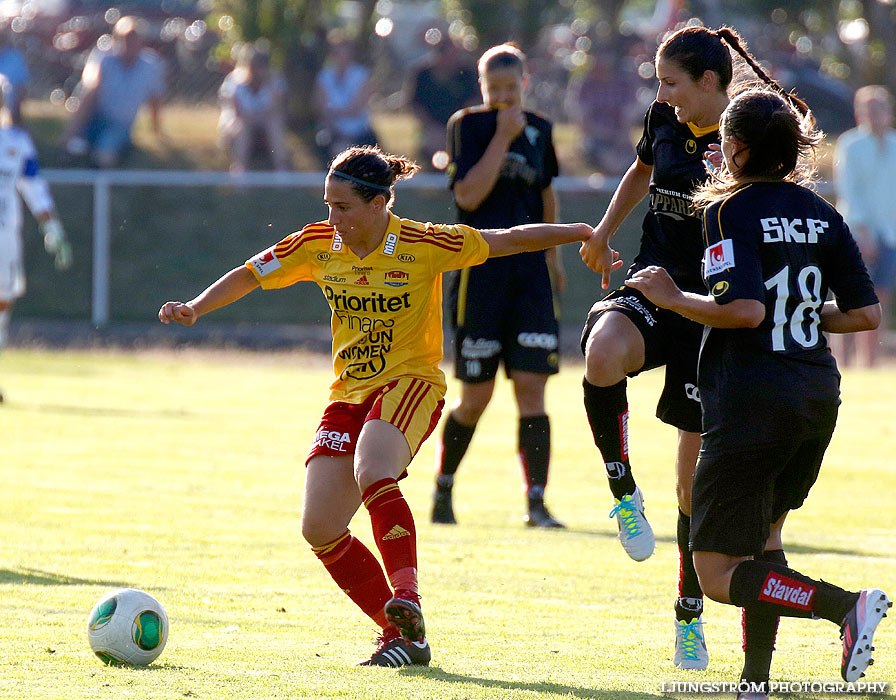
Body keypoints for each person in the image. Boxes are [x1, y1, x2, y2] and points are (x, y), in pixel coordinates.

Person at [158, 145, 592, 667]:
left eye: (342, 207)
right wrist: (196, 308)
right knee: (319, 527)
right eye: (327, 205)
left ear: (380, 203)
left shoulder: (421, 243)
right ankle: (403, 636)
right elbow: (251, 273)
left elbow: (506, 240)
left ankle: (406, 596)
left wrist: (583, 232)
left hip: (412, 384)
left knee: (373, 466)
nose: (331, 218)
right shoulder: (318, 243)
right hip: (348, 394)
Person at [623, 87, 888, 698]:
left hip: (751, 399)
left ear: (737, 148)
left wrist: (670, 297)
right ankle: (755, 682)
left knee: (715, 572)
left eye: (721, 142)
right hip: (816, 394)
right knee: (766, 541)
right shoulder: (822, 212)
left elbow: (741, 311)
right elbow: (865, 315)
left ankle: (844, 607)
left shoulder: (730, 210)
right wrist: (794, 309)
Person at [578, 25, 798, 671]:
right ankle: (621, 490)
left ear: (709, 81)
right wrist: (602, 231)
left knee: (690, 490)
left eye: (671, 81)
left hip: (711, 313)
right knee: (601, 353)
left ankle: (689, 618)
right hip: (654, 280)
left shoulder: (745, 141)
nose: (661, 94)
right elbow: (643, 169)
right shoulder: (663, 120)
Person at [431, 43, 566, 529]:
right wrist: (502, 139)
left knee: (533, 389)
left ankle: (536, 502)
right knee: (476, 396)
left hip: (530, 276)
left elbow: (546, 193)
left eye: (512, 90)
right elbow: (468, 194)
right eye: (495, 90)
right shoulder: (467, 126)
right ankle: (443, 488)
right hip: (479, 273)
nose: (504, 99)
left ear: (524, 84)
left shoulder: (542, 128)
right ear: (482, 88)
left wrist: (553, 259)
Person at [0, 75, 71, 402]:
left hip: (4, 235)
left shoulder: (16, 142)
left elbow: (33, 187)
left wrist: (51, 225)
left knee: (3, 300)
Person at [832, 85, 896, 367]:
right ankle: (843, 362)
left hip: (889, 233)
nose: (874, 115)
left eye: (878, 109)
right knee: (852, 299)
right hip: (858, 234)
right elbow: (850, 191)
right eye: (867, 110)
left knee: (880, 298)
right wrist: (863, 232)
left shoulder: (894, 144)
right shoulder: (851, 144)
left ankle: (870, 363)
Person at [63, 16, 165, 168]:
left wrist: (156, 133)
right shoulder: (104, 59)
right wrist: (72, 130)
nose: (129, 43)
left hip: (119, 126)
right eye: (125, 38)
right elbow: (90, 93)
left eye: (134, 38)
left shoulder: (151, 66)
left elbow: (155, 99)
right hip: (94, 118)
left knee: (105, 155)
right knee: (74, 148)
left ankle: (106, 182)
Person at [405, 33, 479, 169]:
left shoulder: (467, 74)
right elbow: (414, 105)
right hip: (430, 130)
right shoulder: (422, 75)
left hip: (460, 128)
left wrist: (456, 129)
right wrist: (431, 129)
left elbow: (473, 103)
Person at [218, 44, 291, 174]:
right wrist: (254, 116)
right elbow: (237, 112)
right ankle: (239, 169)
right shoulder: (234, 82)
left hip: (264, 125)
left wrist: (270, 87)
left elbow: (277, 110)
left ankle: (282, 168)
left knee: (274, 124)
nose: (259, 70)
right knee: (243, 126)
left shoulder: (275, 82)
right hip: (238, 126)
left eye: (263, 65)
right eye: (255, 65)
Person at [313, 37, 377, 163]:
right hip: (333, 131)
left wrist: (333, 111)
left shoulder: (362, 75)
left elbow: (356, 109)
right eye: (336, 53)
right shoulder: (324, 76)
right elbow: (321, 108)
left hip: (359, 132)